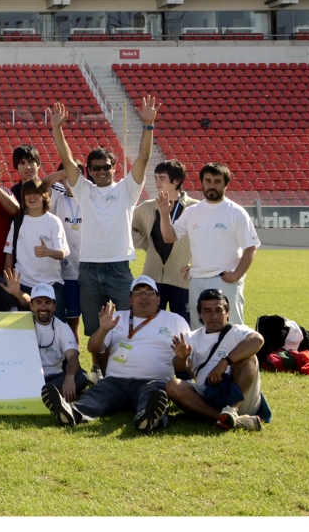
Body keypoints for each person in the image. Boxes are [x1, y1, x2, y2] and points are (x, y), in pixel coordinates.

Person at [51, 95, 159, 373]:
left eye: (106, 167)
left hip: (119, 268)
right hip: (87, 269)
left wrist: (148, 125)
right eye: (96, 168)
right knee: (94, 326)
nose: (101, 172)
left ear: (114, 168)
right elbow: (65, 158)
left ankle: (125, 368)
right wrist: (57, 130)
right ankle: (99, 371)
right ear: (88, 171)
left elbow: (144, 158)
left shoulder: (126, 190)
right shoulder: (84, 190)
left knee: (126, 323)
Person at [41, 275, 190, 433]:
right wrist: (103, 330)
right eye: (138, 293)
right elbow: (94, 347)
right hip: (115, 382)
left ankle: (149, 418)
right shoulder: (118, 317)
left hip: (153, 381)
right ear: (130, 299)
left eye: (149, 292)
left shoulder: (175, 321)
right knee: (96, 395)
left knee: (153, 398)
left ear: (159, 298)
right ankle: (72, 413)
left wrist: (182, 357)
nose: (144, 297)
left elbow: (183, 365)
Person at [158, 162, 260, 328]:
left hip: (224, 280)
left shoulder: (235, 212)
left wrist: (235, 275)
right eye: (208, 181)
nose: (212, 185)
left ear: (225, 184)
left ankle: (233, 355)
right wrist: (164, 215)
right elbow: (169, 237)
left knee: (232, 328)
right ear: (202, 182)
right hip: (196, 280)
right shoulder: (192, 211)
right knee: (199, 329)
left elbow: (250, 248)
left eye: (217, 181)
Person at [165, 289, 266, 431]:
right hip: (207, 396)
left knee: (248, 356)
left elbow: (257, 340)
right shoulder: (191, 337)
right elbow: (180, 367)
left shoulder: (237, 331)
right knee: (172, 385)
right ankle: (231, 420)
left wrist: (224, 362)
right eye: (207, 311)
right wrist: (182, 358)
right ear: (200, 314)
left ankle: (231, 410)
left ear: (227, 312)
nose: (214, 316)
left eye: (219, 310)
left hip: (241, 396)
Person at [132, 159, 196, 323]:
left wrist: (198, 262)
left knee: (183, 326)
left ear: (176, 181)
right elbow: (127, 225)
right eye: (155, 177)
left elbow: (208, 239)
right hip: (152, 277)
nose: (157, 182)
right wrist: (146, 244)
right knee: (149, 324)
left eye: (162, 178)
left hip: (181, 278)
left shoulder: (194, 208)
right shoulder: (147, 207)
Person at [3, 179, 69, 318]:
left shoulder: (53, 221)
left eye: (35, 193)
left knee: (57, 328)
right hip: (23, 284)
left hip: (51, 284)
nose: (31, 197)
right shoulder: (18, 223)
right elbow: (9, 253)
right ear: (23, 198)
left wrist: (48, 252)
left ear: (44, 196)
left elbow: (62, 253)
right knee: (26, 332)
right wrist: (9, 279)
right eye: (27, 194)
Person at [28, 283, 88, 402]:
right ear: (31, 306)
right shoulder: (22, 326)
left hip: (55, 376)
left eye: (48, 302)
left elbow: (72, 357)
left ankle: (40, 393)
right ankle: (50, 394)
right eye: (38, 302)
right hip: (29, 376)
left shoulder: (63, 328)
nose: (43, 307)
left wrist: (69, 378)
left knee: (82, 377)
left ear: (54, 306)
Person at [48, 161, 83, 337]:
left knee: (96, 322)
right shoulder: (56, 198)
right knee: (71, 323)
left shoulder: (89, 199)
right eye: (67, 176)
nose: (71, 180)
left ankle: (96, 364)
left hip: (88, 272)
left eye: (75, 175)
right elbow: (43, 184)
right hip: (66, 273)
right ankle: (72, 362)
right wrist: (63, 172)